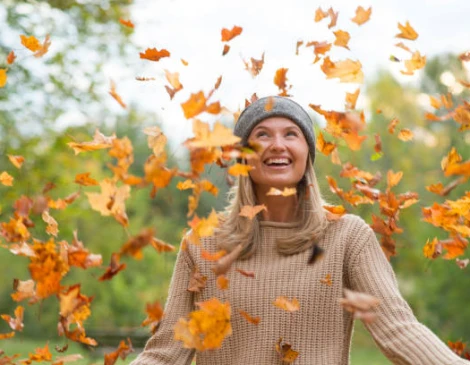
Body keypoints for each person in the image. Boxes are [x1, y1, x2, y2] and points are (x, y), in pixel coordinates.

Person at [130, 96, 468, 364]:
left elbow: (398, 330)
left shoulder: (347, 237)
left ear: (307, 153)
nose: (278, 145)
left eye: (291, 134)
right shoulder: (203, 244)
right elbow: (165, 354)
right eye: (262, 135)